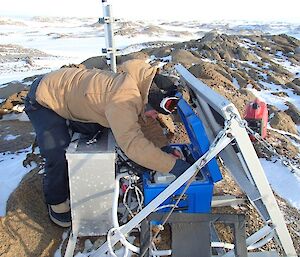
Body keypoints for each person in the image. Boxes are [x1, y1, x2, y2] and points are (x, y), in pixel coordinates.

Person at [24, 59, 191, 227]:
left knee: (101, 127)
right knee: (57, 152)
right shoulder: (123, 99)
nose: (156, 117)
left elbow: (145, 121)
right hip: (44, 97)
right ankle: (56, 203)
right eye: (156, 112)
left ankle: (68, 123)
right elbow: (132, 144)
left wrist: (164, 148)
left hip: (70, 92)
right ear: (150, 99)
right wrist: (174, 166)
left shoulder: (139, 85)